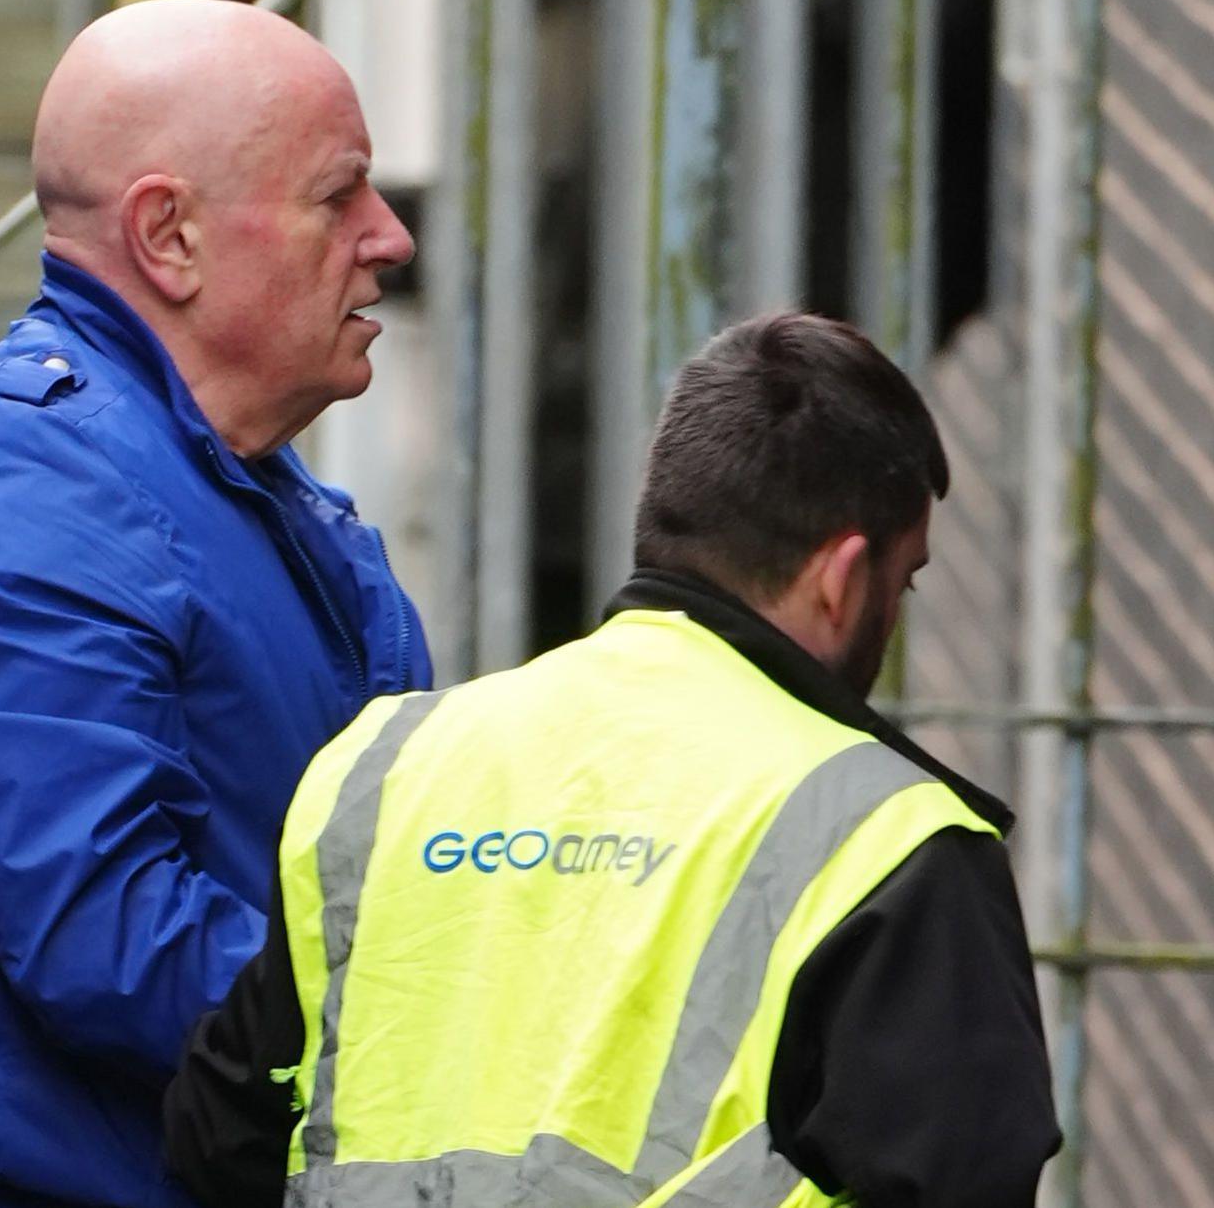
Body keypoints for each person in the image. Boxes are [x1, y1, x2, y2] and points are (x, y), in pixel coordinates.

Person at [0, 0, 430, 1208]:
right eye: (340, 197)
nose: (389, 237)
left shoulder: (234, 488)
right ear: (169, 235)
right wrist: (448, 1024)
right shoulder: (13, 504)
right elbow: (111, 944)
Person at [163, 313, 1061, 1208]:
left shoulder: (387, 769)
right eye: (901, 581)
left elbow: (220, 1137)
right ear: (841, 574)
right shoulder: (888, 841)